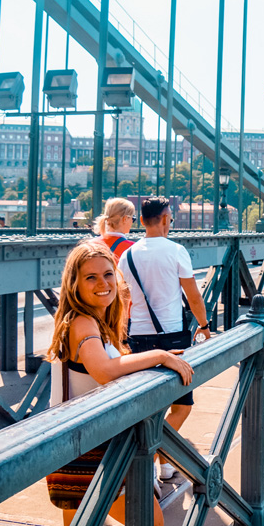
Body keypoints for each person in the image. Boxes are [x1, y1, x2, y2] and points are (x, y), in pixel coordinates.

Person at [45, 241, 193, 526]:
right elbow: (103, 370)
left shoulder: (84, 321)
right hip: (92, 450)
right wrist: (160, 356)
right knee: (149, 522)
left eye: (108, 274)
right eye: (91, 278)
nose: (103, 284)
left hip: (72, 444)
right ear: (75, 284)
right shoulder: (83, 322)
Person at [117, 196, 210, 482]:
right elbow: (192, 296)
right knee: (181, 405)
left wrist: (121, 336)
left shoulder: (127, 255)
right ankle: (155, 457)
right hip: (173, 338)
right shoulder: (176, 251)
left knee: (148, 406)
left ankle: (160, 462)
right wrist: (205, 325)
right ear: (167, 219)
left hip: (139, 337)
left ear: (141, 221)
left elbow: (123, 300)